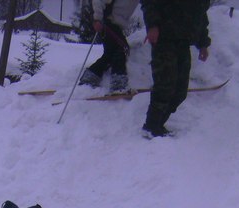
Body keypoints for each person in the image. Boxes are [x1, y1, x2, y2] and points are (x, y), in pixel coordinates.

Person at [141, 0, 211, 137]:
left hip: (184, 42)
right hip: (164, 39)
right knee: (164, 86)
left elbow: (201, 16)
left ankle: (158, 125)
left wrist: (203, 44)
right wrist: (152, 25)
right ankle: (151, 126)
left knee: (180, 91)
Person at [79, 0, 141, 94]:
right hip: (109, 22)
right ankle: (118, 85)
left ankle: (89, 79)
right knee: (121, 49)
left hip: (114, 24)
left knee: (109, 54)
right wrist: (97, 19)